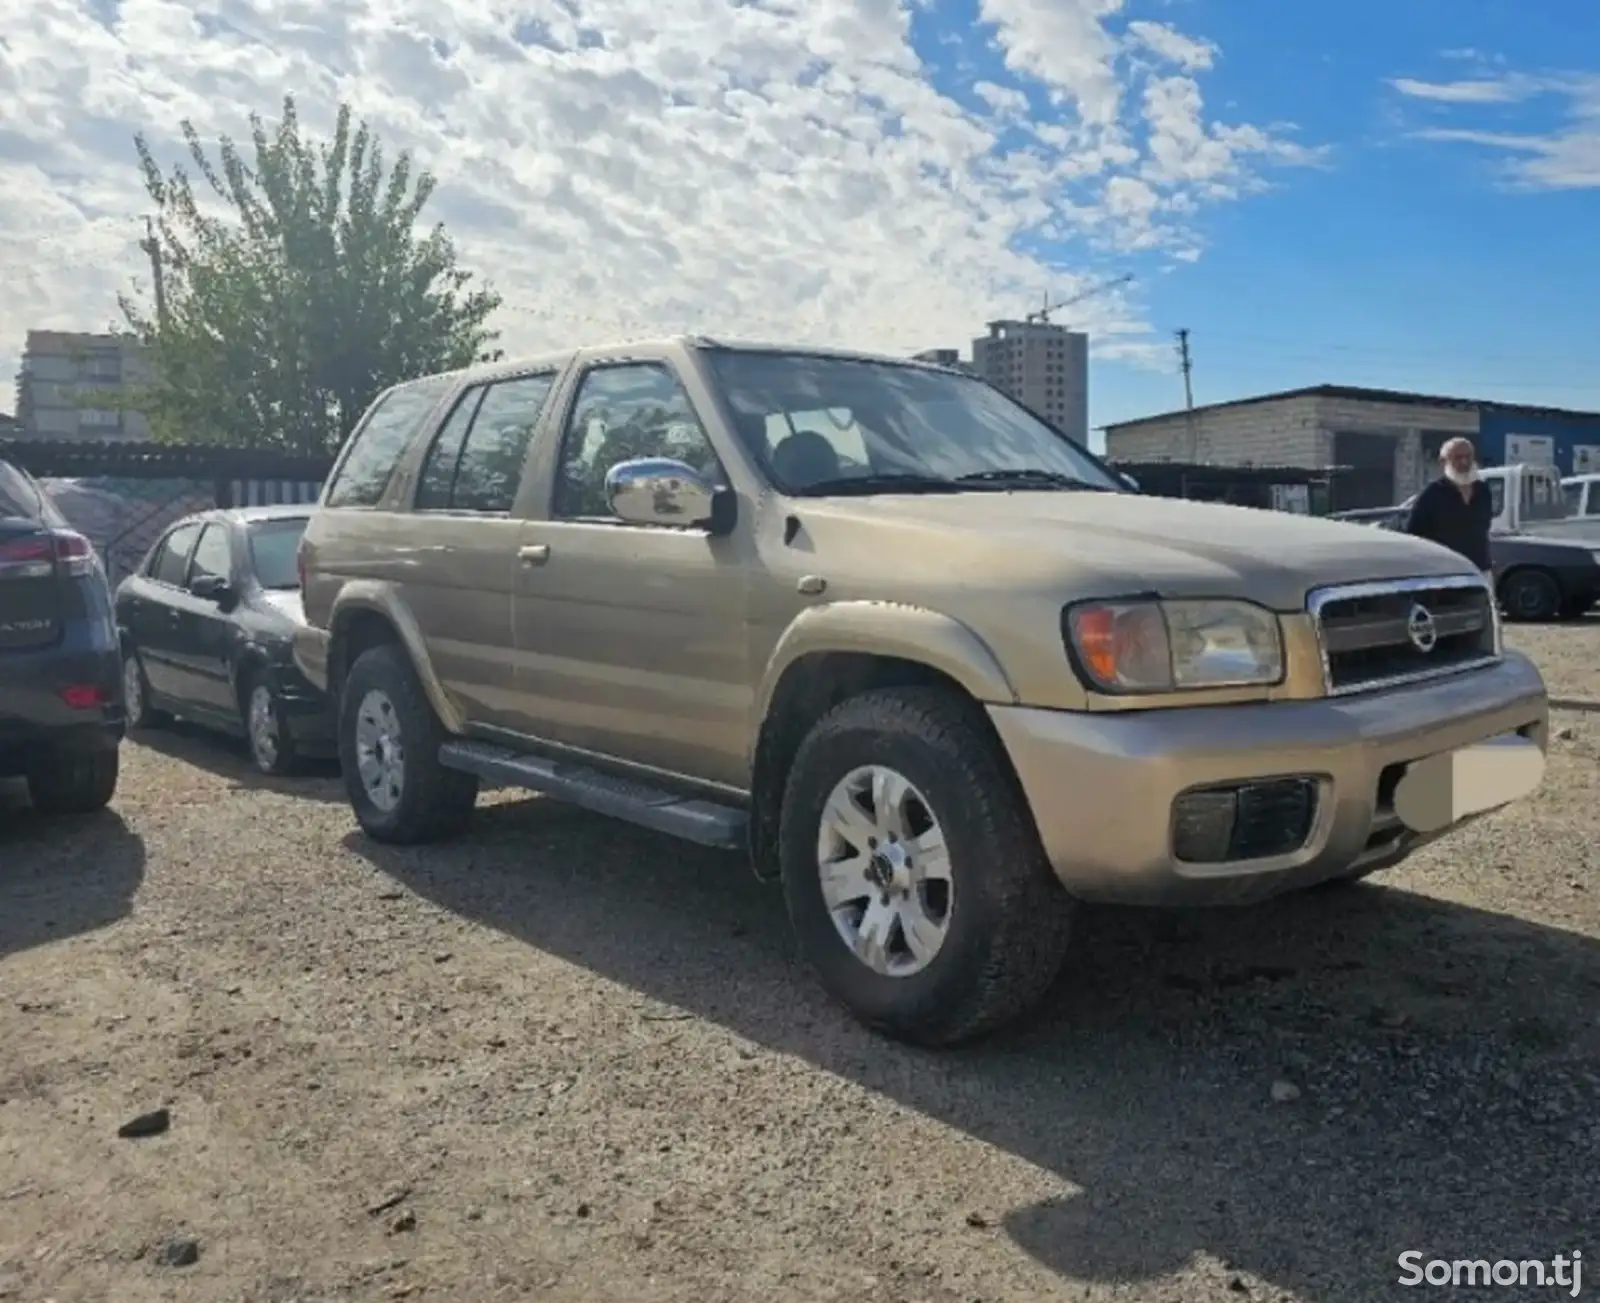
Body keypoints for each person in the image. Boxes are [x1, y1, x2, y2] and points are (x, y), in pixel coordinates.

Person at [1402, 437, 1494, 579]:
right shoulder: (1431, 494)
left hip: (1480, 571)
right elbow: (1414, 534)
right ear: (1442, 462)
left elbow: (1484, 528)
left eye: (1468, 456)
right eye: (1457, 458)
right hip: (1446, 573)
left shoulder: (1483, 490)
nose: (1464, 462)